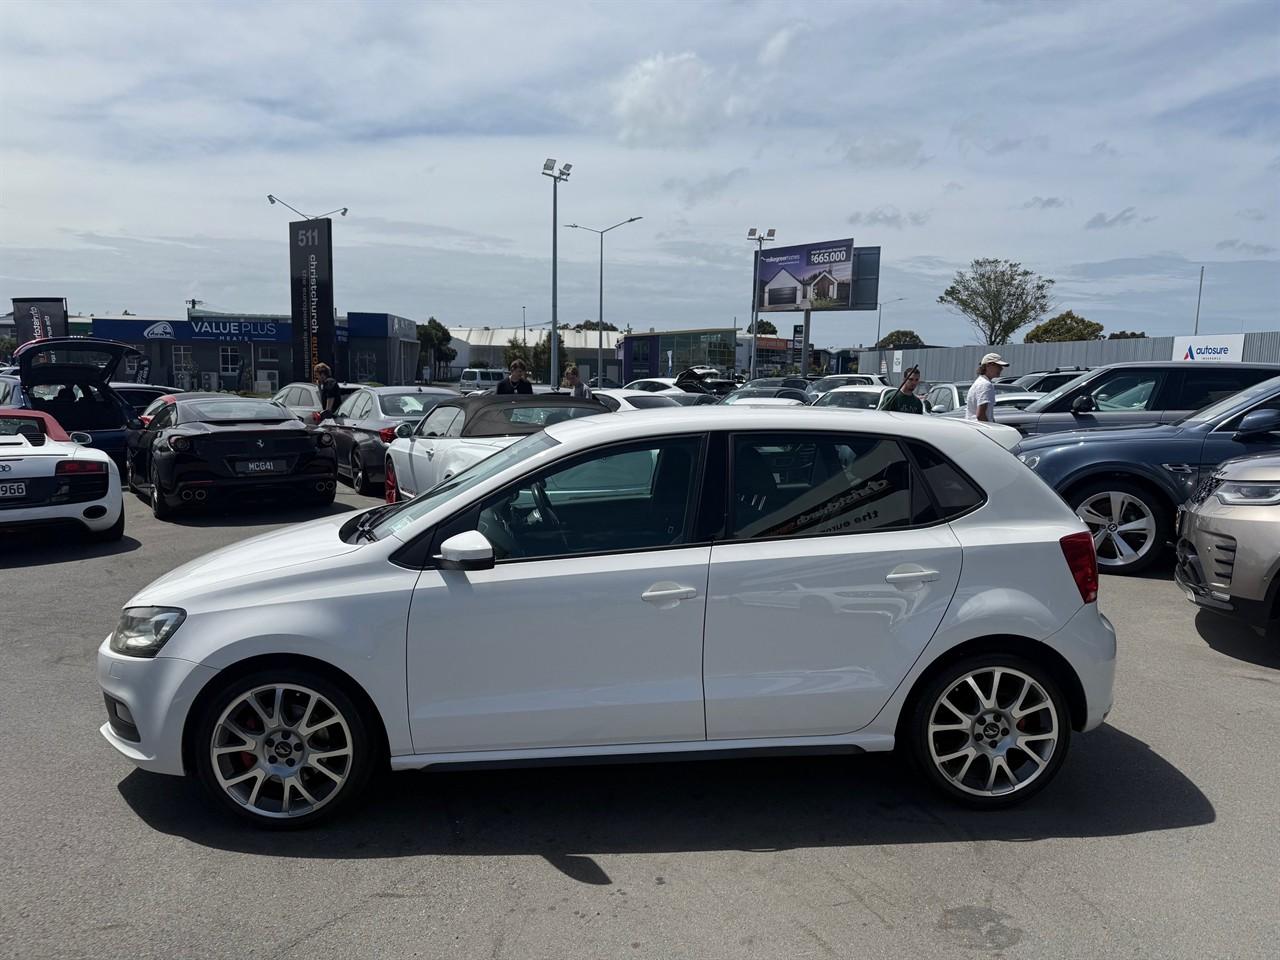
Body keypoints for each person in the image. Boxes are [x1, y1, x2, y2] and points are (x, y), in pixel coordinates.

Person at [966, 353, 1010, 422]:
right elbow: (980, 415)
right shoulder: (985, 385)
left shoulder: (981, 382)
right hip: (981, 429)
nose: (1001, 369)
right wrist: (991, 430)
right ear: (988, 365)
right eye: (998, 366)